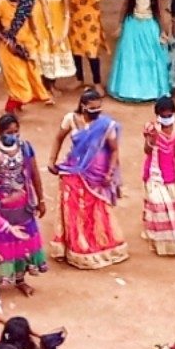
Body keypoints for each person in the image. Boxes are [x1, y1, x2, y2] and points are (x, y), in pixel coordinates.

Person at [47, 88, 129, 269]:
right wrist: (52, 160)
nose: (96, 113)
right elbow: (58, 138)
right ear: (83, 106)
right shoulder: (70, 119)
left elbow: (114, 149)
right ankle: (76, 246)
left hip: (97, 174)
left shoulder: (106, 125)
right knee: (73, 207)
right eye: (92, 109)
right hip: (73, 169)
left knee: (95, 208)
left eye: (98, 109)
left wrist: (109, 172)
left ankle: (97, 243)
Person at [0, 114, 47, 290]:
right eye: (9, 132)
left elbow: (34, 174)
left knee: (22, 238)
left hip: (21, 201)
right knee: (0, 237)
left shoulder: (25, 148)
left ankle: (20, 279)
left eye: (16, 132)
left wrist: (41, 199)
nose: (14, 136)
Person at [107, 0, 171, 103]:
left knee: (150, 58)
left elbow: (160, 10)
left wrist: (163, 31)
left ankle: (151, 90)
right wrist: (120, 25)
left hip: (150, 25)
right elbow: (125, 6)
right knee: (130, 57)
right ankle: (129, 90)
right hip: (132, 26)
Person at [140, 96, 175, 255]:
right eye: (163, 116)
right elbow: (147, 151)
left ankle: (173, 237)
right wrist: (151, 139)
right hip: (153, 174)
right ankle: (162, 242)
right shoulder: (151, 129)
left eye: (169, 115)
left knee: (170, 205)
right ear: (157, 115)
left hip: (169, 174)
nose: (166, 119)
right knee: (161, 205)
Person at [0, 0, 52, 112]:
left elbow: (33, 25)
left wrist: (37, 41)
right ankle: (10, 110)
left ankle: (18, 105)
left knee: (31, 76)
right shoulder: (1, 4)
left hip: (26, 46)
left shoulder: (27, 4)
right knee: (17, 79)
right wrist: (6, 41)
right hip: (9, 47)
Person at [29, 0, 77, 87]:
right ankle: (45, 87)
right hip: (41, 18)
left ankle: (51, 85)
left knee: (56, 47)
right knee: (44, 47)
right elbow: (43, 4)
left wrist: (66, 23)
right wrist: (49, 26)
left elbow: (66, 3)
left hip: (59, 18)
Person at [65, 0, 106, 91]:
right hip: (75, 14)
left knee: (92, 49)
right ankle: (79, 78)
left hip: (91, 15)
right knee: (76, 48)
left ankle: (97, 82)